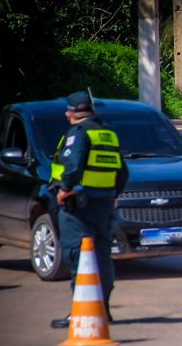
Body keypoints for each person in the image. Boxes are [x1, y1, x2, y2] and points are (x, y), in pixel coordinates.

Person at [49, 91, 129, 328]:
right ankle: (103, 308)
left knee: (77, 256)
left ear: (71, 113)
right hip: (103, 205)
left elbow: (73, 166)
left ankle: (81, 311)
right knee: (102, 256)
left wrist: (64, 189)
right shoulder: (108, 133)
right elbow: (122, 173)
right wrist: (114, 194)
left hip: (79, 205)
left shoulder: (79, 134)